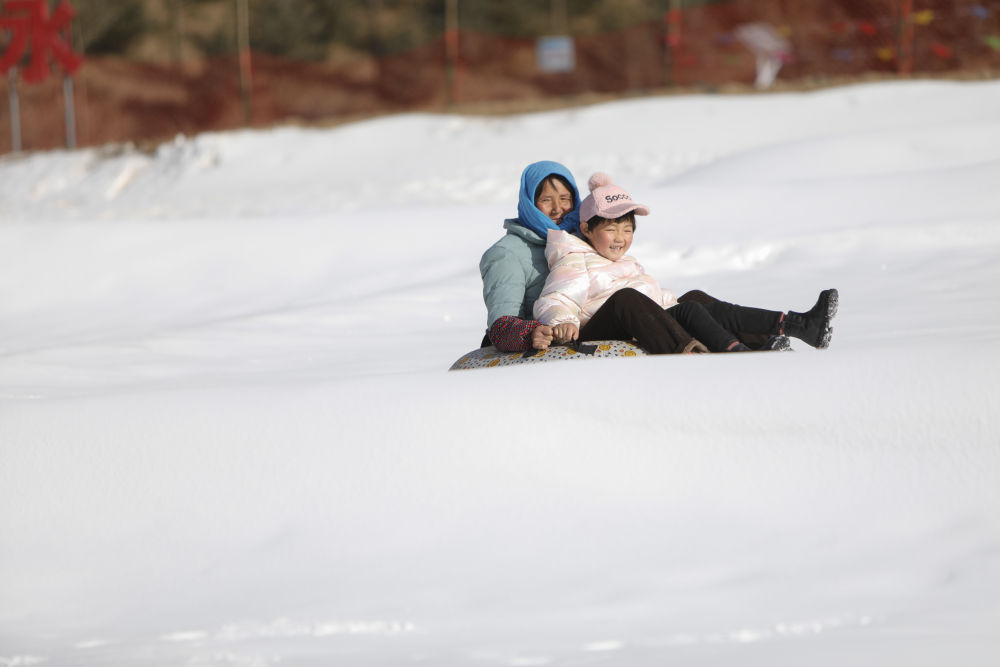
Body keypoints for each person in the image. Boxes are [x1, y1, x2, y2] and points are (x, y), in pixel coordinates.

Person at [532, 172, 838, 354]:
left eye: (627, 230)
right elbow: (556, 298)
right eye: (611, 229)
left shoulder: (624, 261)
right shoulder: (575, 256)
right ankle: (732, 356)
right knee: (629, 298)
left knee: (694, 299)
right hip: (594, 333)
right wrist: (561, 322)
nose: (620, 238)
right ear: (586, 229)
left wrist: (686, 309)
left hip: (637, 322)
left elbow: (657, 302)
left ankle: (788, 330)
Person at [479, 160, 583, 352]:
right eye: (546, 200)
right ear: (530, 202)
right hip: (543, 351)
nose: (557, 208)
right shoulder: (507, 254)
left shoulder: (583, 241)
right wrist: (531, 333)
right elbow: (502, 324)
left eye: (564, 199)